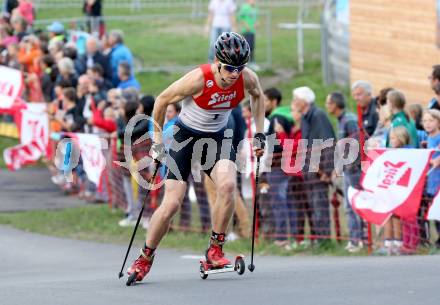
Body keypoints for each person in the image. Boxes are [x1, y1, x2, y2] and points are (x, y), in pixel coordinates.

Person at [126, 32, 265, 283]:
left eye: (240, 67)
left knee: (228, 185)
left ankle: (215, 249)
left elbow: (258, 96)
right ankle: (145, 257)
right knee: (172, 204)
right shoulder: (199, 78)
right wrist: (157, 144)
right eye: (230, 68)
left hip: (218, 137)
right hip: (185, 137)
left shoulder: (247, 78)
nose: (235, 74)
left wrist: (260, 133)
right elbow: (161, 100)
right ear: (217, 62)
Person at [292, 86, 335, 243]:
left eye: (296, 99)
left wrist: (327, 170)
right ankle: (318, 239)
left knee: (320, 206)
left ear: (304, 101)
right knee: (312, 205)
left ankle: (324, 241)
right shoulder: (304, 118)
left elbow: (328, 143)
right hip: (309, 169)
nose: (294, 102)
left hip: (319, 171)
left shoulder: (319, 116)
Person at [325, 92, 364, 253]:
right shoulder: (341, 120)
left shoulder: (349, 120)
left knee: (355, 204)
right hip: (348, 169)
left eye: (328, 102)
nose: (327, 105)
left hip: (354, 169)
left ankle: (361, 239)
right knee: (348, 205)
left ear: (335, 104)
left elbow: (356, 144)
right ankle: (355, 239)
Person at [237, 0, 258, 67]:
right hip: (246, 30)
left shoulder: (255, 8)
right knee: (247, 46)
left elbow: (256, 18)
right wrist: (246, 25)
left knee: (252, 46)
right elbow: (240, 17)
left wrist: (256, 23)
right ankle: (244, 62)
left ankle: (252, 62)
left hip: (252, 30)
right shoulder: (245, 7)